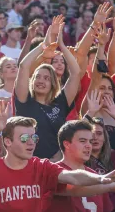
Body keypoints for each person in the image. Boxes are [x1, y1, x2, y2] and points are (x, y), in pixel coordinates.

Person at [15, 16, 80, 160]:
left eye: (46, 78)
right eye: (37, 77)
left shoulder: (60, 102)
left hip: (56, 165)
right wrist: (44, 44)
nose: (40, 81)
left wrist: (61, 45)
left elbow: (76, 73)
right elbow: (23, 66)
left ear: (53, 84)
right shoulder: (25, 100)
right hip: (28, 163)